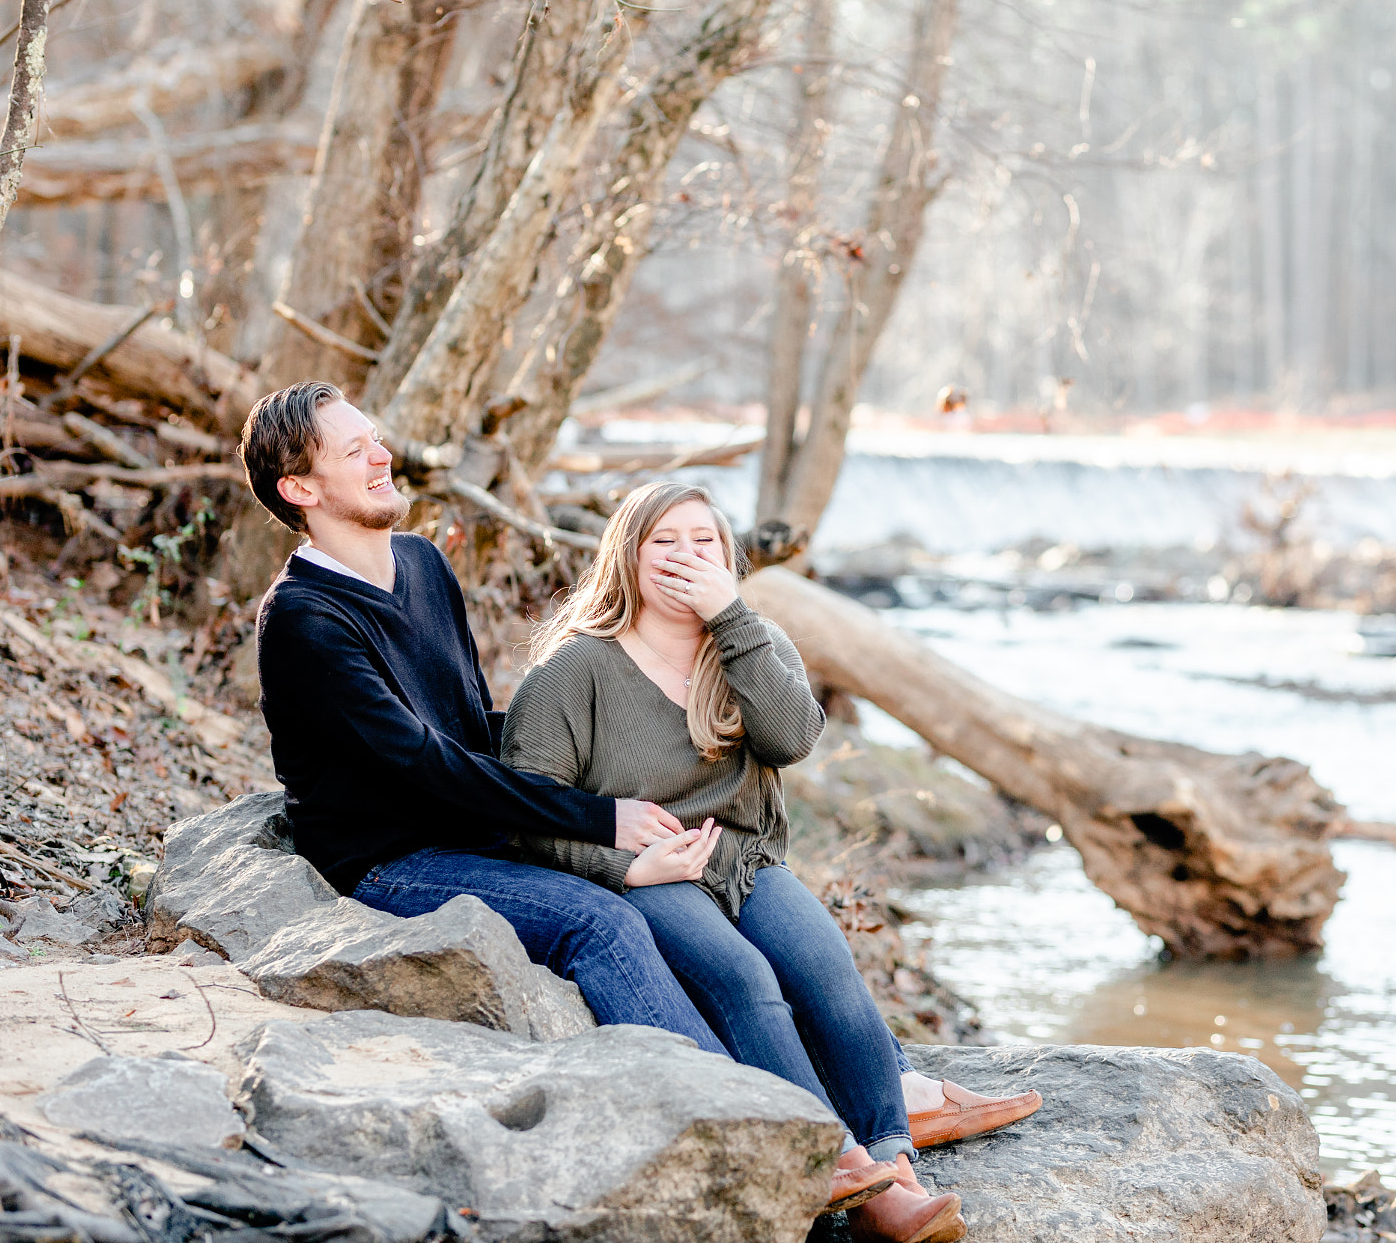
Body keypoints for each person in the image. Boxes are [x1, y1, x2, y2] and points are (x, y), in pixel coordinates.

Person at [240, 384, 904, 1218]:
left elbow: (473, 722)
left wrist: (578, 754)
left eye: (375, 438)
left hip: (475, 828)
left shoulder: (422, 563)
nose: (383, 455)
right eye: (354, 450)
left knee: (744, 943)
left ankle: (868, 1110)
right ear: (300, 489)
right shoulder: (303, 618)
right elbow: (423, 761)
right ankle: (750, 1129)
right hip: (391, 861)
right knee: (605, 919)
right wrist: (603, 820)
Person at [501, 482, 1039, 1243]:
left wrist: (730, 617)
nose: (686, 557)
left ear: (729, 559)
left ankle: (896, 1165)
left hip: (744, 859)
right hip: (649, 870)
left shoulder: (749, 641)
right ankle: (835, 1163)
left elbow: (792, 739)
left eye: (705, 543)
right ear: (627, 554)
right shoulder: (574, 672)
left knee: (825, 966)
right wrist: (628, 868)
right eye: (665, 541)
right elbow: (523, 812)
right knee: (746, 979)